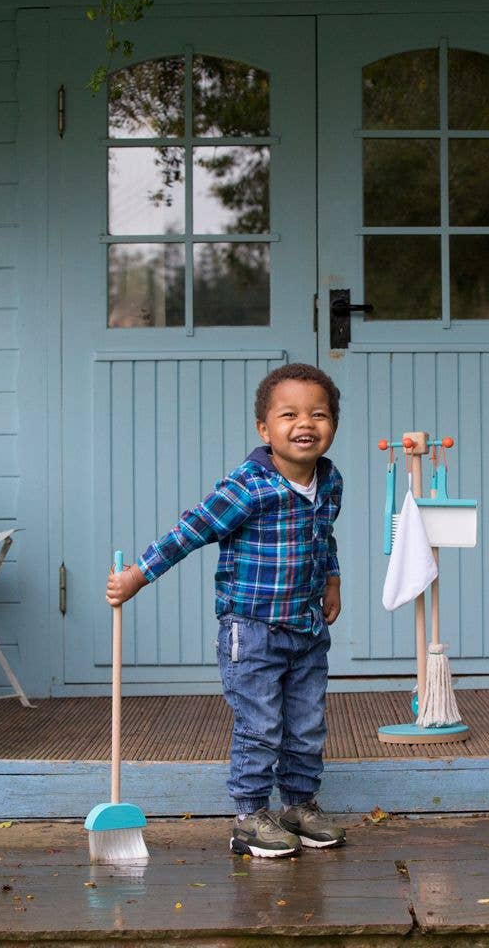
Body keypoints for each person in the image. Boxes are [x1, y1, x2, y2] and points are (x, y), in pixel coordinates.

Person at [105, 362, 346, 858]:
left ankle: (298, 805)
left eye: (318, 414)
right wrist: (137, 575)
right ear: (264, 429)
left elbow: (324, 538)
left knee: (306, 725)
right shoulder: (248, 486)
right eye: (289, 415)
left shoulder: (329, 480)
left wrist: (332, 580)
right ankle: (250, 817)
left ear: (333, 425)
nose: (305, 423)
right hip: (252, 631)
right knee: (260, 727)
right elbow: (191, 530)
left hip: (306, 629)